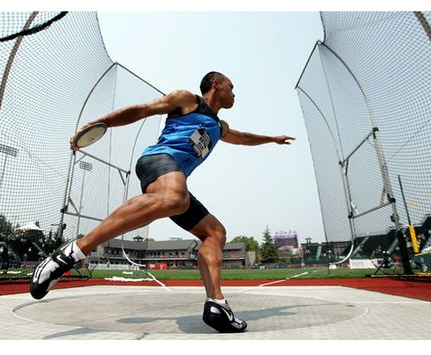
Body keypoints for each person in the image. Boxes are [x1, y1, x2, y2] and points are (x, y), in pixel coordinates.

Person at [30, 72, 295, 333]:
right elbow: (141, 110)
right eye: (231, 86)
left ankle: (217, 304)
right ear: (216, 85)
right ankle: (74, 251)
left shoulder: (219, 126)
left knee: (215, 232)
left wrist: (272, 139)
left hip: (175, 182)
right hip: (157, 161)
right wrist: (101, 124)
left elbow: (243, 137)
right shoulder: (187, 100)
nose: (234, 93)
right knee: (175, 198)